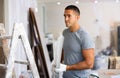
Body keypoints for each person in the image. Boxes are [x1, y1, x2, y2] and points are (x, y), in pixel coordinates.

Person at [55, 5, 95, 78]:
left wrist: (67, 68)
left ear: (77, 17)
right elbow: (65, 51)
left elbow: (89, 64)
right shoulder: (65, 33)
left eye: (69, 16)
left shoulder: (84, 36)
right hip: (66, 76)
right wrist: (57, 63)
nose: (66, 19)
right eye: (65, 16)